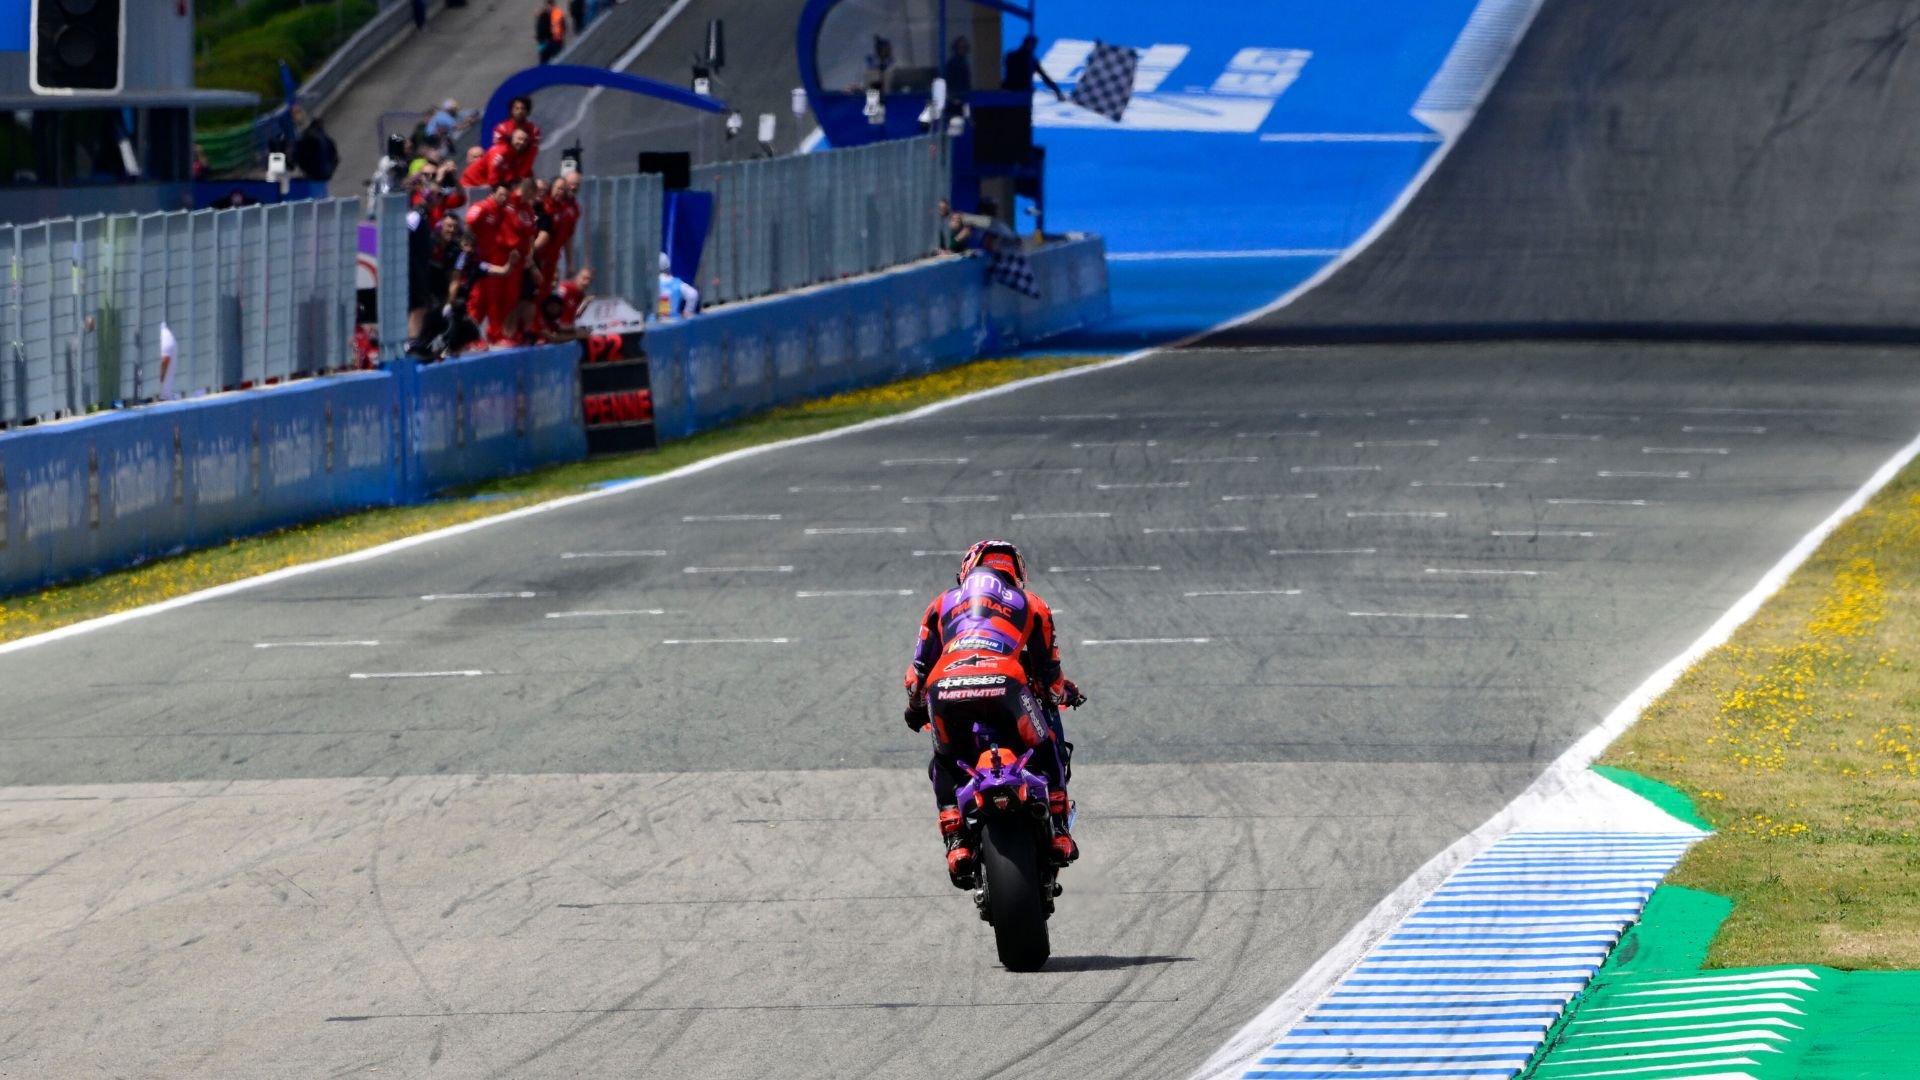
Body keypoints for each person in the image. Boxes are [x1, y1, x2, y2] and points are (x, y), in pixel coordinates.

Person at [902, 540, 1086, 887]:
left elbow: (917, 674)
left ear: (966, 569)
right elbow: (1050, 674)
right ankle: (1060, 830)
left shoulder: (941, 603)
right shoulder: (1031, 603)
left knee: (944, 760)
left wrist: (914, 710)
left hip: (946, 688)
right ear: (1018, 574)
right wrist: (1064, 693)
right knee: (1046, 745)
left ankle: (955, 839)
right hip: (1007, 684)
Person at [1004, 34, 1065, 101]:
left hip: (1012, 90)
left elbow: (1044, 77)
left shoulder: (1012, 55)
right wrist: (1057, 90)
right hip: (1021, 92)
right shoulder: (1029, 60)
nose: (1035, 47)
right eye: (1034, 45)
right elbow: (1044, 76)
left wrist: (1057, 90)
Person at [655, 253, 700, 320]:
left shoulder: (651, 283)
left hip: (654, 324)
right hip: (674, 323)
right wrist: (687, 312)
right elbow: (693, 294)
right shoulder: (677, 283)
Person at [942, 36, 973, 116]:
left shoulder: (964, 63)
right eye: (960, 47)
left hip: (963, 99)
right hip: (954, 101)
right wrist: (953, 98)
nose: (962, 50)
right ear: (955, 48)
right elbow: (947, 82)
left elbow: (966, 82)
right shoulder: (953, 64)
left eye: (964, 47)